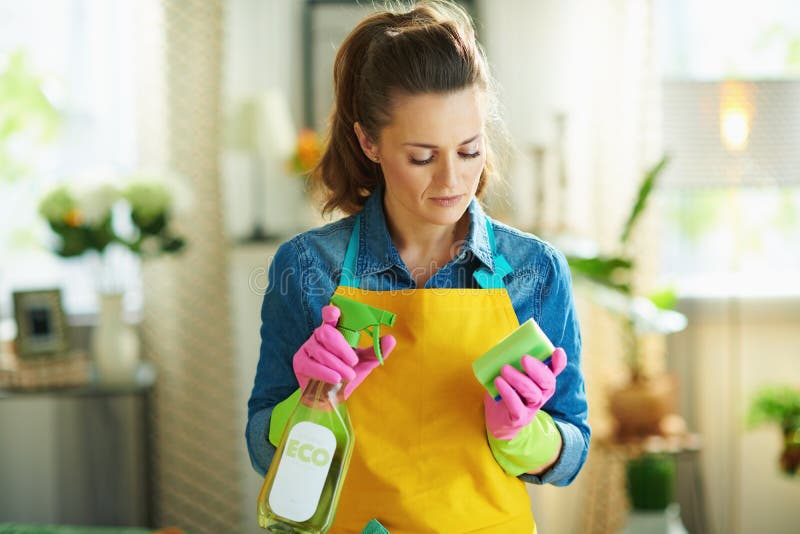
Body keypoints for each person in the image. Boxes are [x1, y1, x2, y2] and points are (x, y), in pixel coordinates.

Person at [246, 1, 590, 532]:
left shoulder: (535, 270)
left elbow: (572, 450)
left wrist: (521, 433)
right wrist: (311, 401)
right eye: (423, 157)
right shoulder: (309, 268)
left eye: (469, 150)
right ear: (369, 141)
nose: (454, 180)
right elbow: (262, 449)